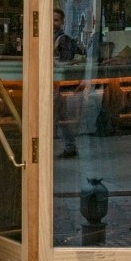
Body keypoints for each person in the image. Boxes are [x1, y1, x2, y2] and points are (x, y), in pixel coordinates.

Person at [53, 8, 85, 158]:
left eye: (56, 20)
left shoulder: (62, 39)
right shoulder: (50, 37)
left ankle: (69, 146)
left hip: (58, 83)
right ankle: (70, 146)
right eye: (51, 19)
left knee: (60, 116)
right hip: (56, 83)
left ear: (62, 22)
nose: (53, 23)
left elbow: (65, 61)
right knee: (61, 116)